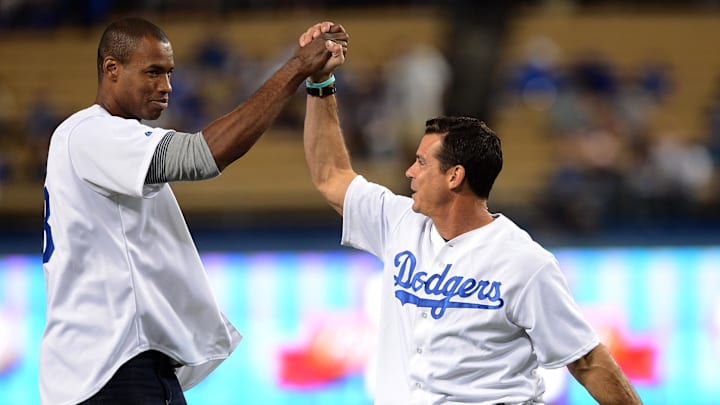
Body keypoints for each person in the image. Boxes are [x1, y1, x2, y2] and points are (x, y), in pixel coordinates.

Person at [300, 25, 642, 404]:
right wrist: (320, 82)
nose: (410, 172)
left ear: (454, 175)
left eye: (421, 162)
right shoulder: (399, 222)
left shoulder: (523, 263)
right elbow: (330, 175)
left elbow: (589, 362)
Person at [39, 17, 347, 405]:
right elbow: (202, 156)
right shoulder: (89, 133)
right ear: (111, 69)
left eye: (169, 73)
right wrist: (296, 67)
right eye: (153, 72)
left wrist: (315, 79)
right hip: (111, 369)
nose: (166, 86)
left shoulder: (108, 140)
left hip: (122, 365)